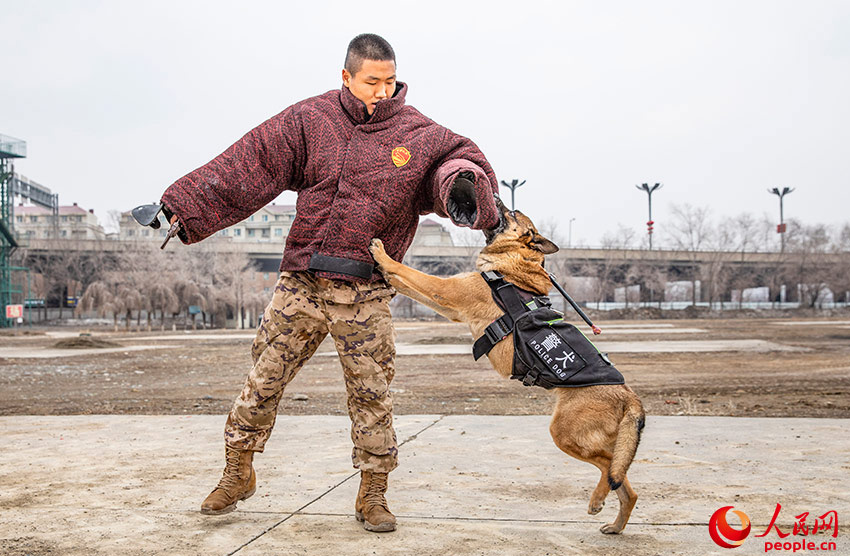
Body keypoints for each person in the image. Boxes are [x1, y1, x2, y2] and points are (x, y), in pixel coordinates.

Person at [155, 33, 502, 532]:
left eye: (390, 81)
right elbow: (249, 163)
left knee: (371, 394)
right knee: (262, 381)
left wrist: (464, 187)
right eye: (371, 82)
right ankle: (237, 471)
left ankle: (374, 495)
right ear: (347, 77)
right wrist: (179, 206)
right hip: (301, 282)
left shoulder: (419, 134)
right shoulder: (309, 120)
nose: (383, 91)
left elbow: (454, 162)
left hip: (363, 291)